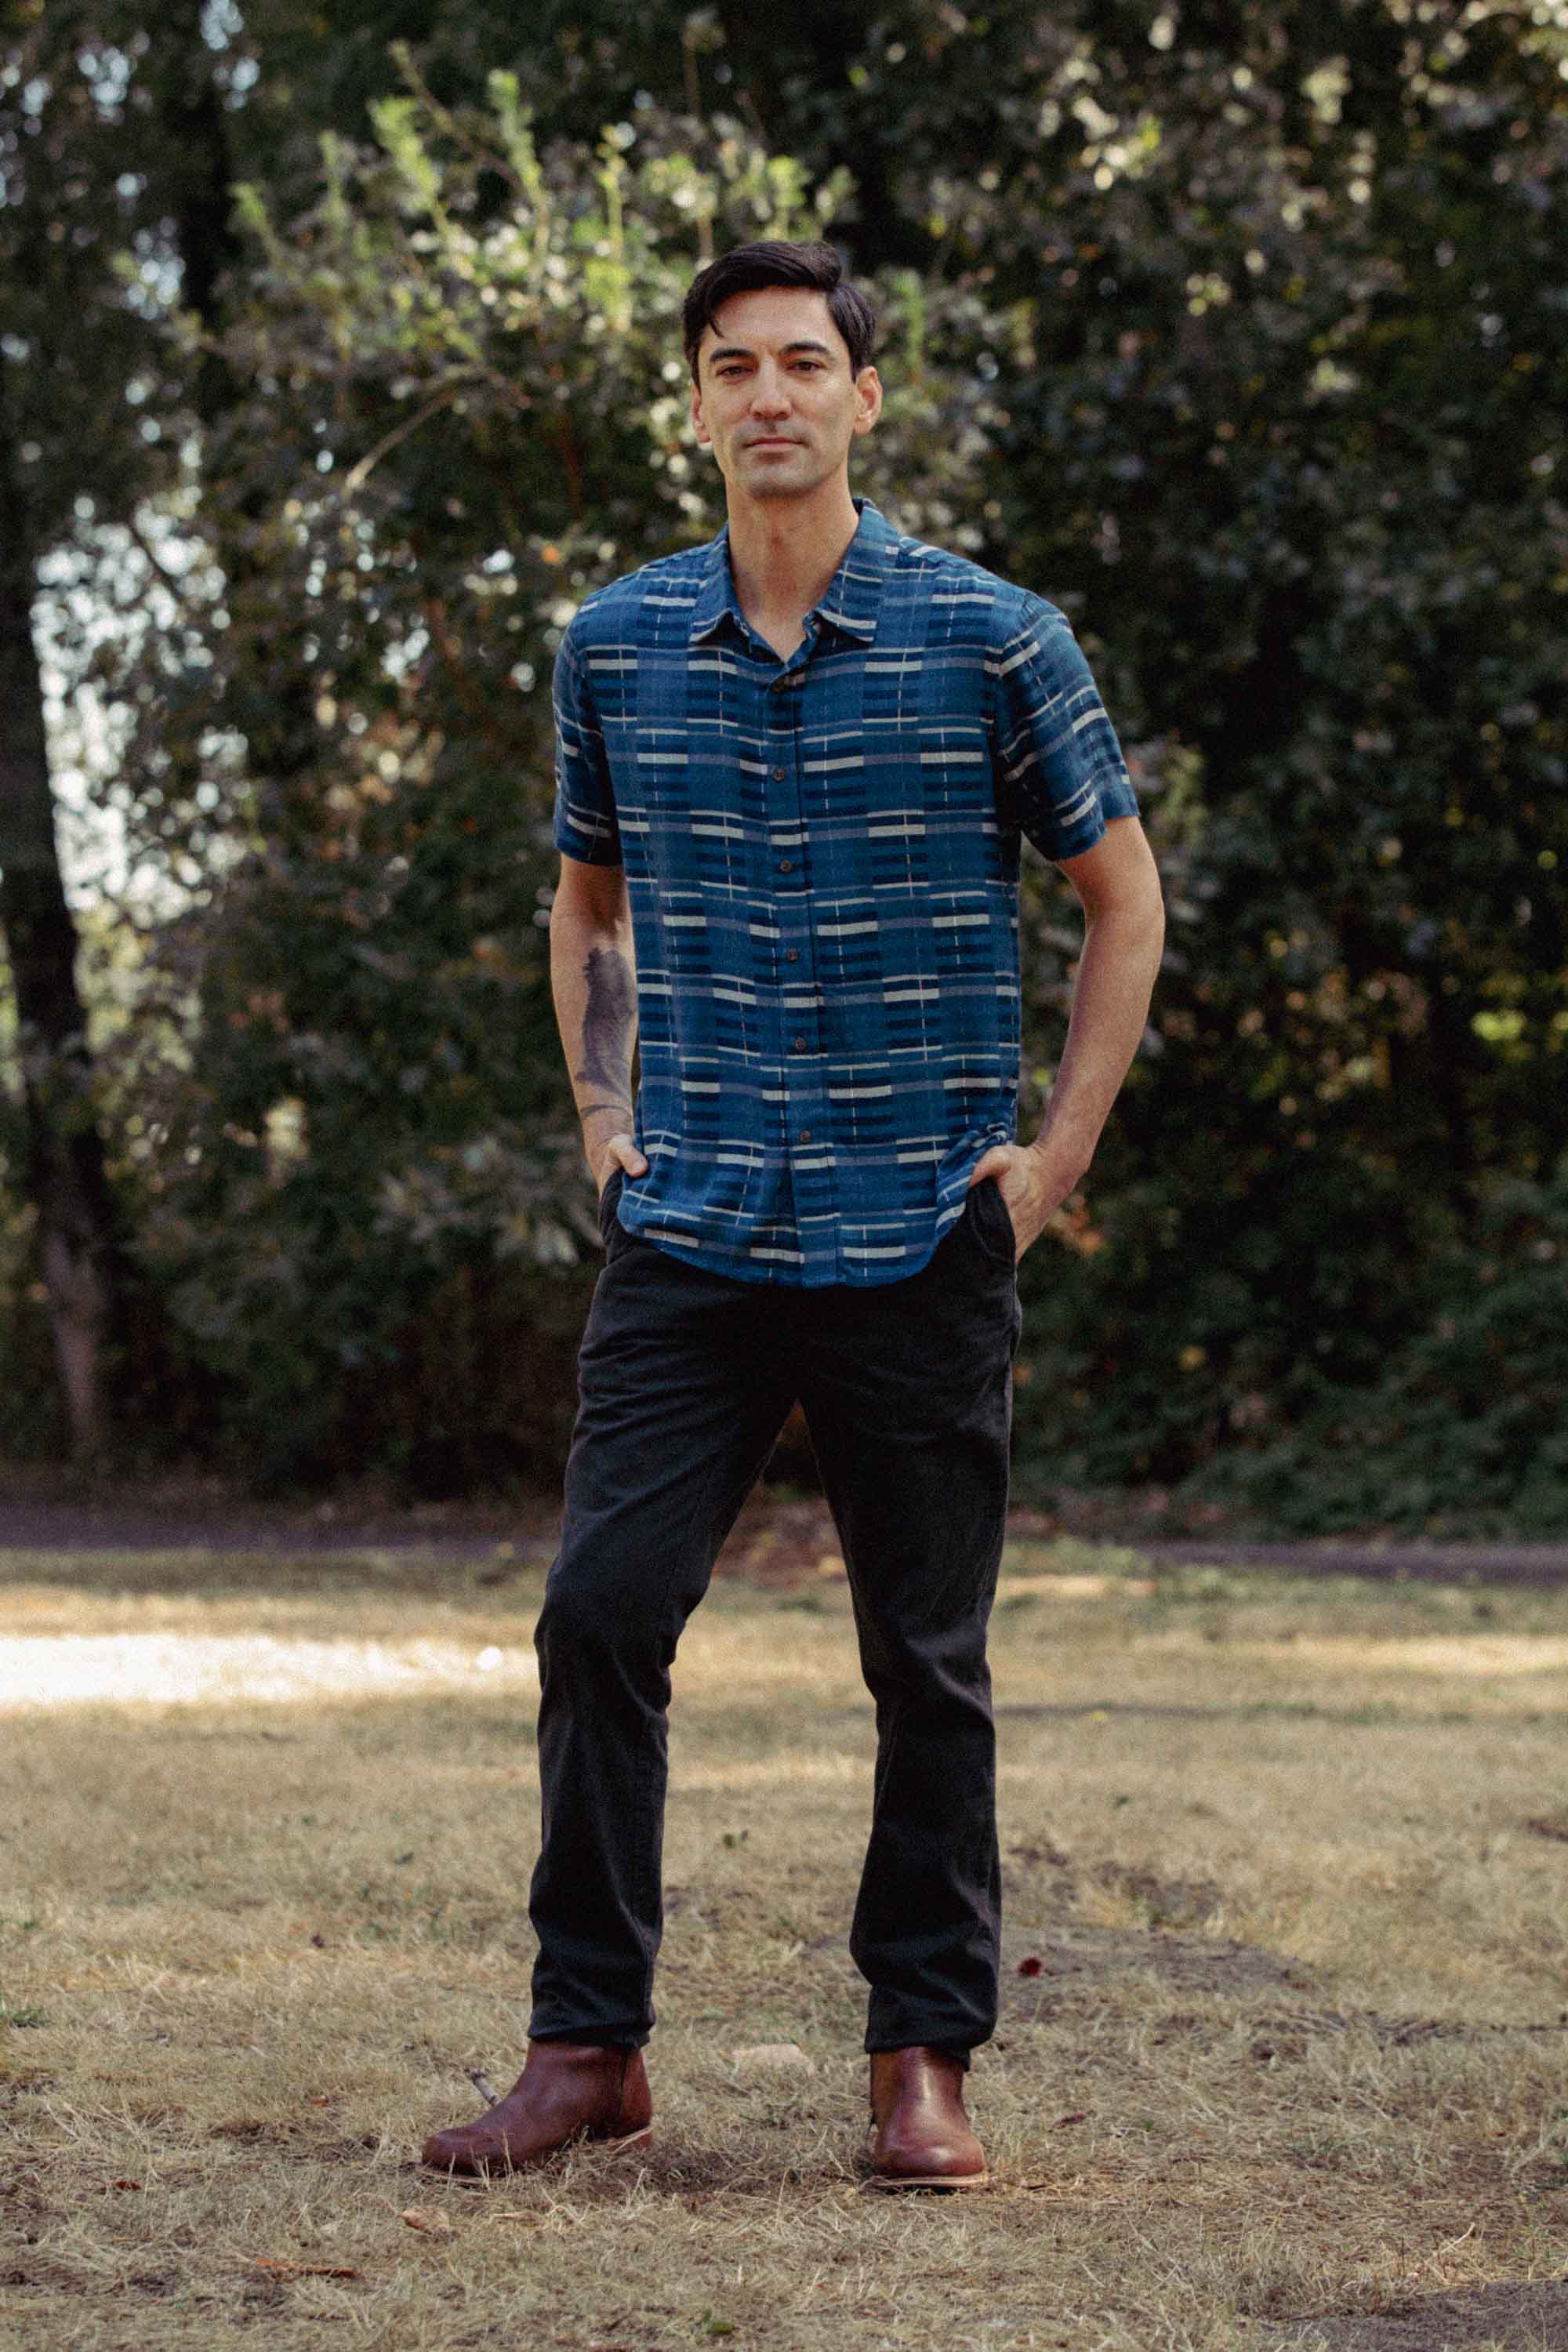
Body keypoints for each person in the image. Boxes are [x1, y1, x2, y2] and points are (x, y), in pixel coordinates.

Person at [423, 239, 1164, 2190]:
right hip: (694, 1232)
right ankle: (586, 2045)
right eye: (731, 366)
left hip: (921, 1227)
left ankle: (921, 2059)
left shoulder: (995, 637)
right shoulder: (614, 646)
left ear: (861, 398)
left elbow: (1121, 901)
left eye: (803, 363)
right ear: (692, 405)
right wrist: (604, 1120)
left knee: (923, 1661)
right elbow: (588, 906)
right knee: (598, 1614)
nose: (767, 394)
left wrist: (1054, 1159)